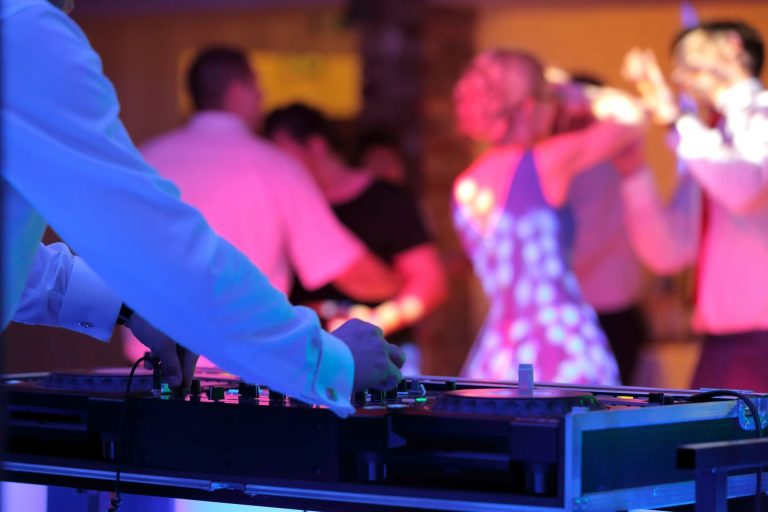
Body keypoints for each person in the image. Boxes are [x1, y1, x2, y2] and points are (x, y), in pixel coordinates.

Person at [2, 0, 405, 419]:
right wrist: (330, 361)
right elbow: (158, 246)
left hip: (178, 362)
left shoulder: (154, 149)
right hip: (255, 375)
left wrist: (131, 305)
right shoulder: (22, 32)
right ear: (241, 91)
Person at [122, 46, 402, 365]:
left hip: (151, 368)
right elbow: (348, 269)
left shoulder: (144, 160)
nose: (262, 98)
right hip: (245, 371)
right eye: (258, 87)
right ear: (239, 91)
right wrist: (402, 284)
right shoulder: (274, 166)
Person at [451, 49, 646, 384]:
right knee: (571, 434)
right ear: (530, 106)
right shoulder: (546, 163)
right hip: (562, 343)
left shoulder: (465, 184)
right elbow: (634, 116)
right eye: (549, 98)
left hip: (501, 351)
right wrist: (576, 90)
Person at [621, 21, 768, 391]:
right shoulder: (706, 136)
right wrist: (632, 171)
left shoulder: (760, 114)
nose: (679, 73)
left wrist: (676, 122)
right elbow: (670, 251)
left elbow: (745, 189)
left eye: (689, 56)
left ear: (732, 46)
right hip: (720, 340)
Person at [264, 103, 447, 374]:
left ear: (315, 146)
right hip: (307, 355)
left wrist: (375, 322)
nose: (277, 167)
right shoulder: (281, 205)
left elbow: (430, 281)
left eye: (283, 155)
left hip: (382, 352)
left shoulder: (388, 200)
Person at [564, 75, 650, 385]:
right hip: (601, 310)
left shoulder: (596, 164)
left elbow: (586, 241)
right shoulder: (579, 162)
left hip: (604, 312)